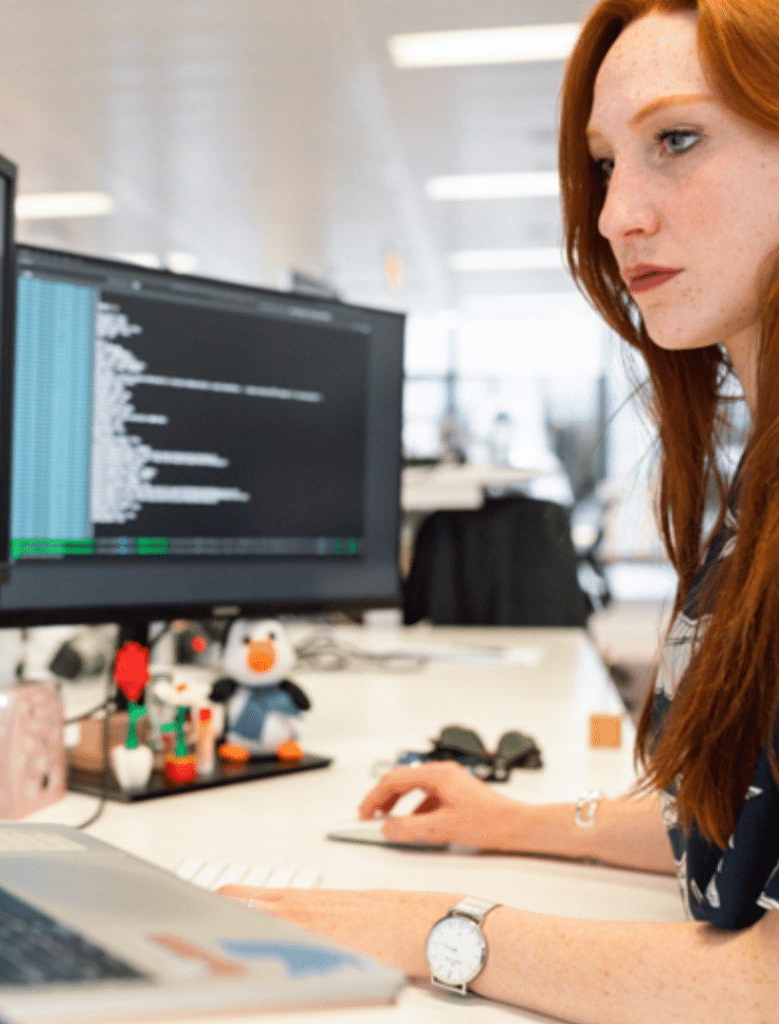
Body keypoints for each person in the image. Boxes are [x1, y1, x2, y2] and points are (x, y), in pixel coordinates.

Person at [221, 1, 779, 1019]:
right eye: (608, 163)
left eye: (678, 140)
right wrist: (516, 819)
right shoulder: (758, 491)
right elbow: (736, 830)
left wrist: (420, 926)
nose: (615, 215)